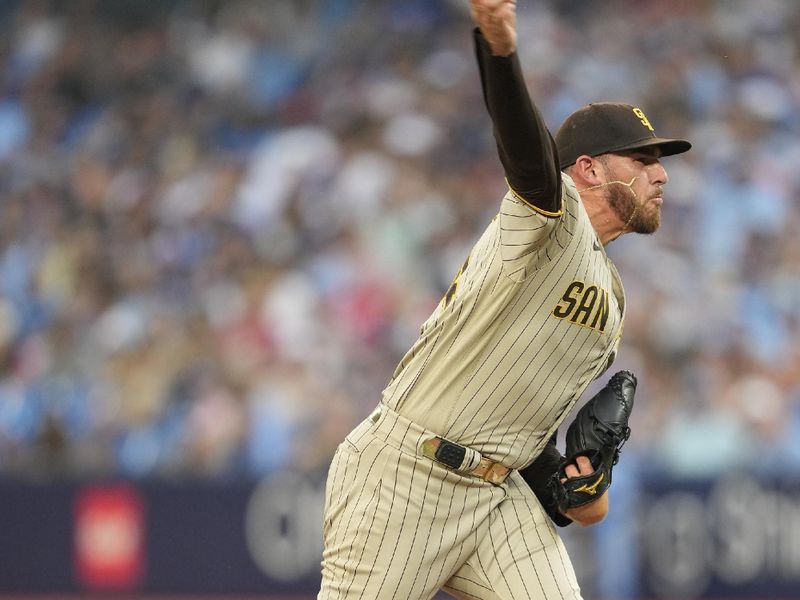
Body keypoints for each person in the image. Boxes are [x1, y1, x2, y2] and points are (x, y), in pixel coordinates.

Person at [318, 1, 691, 598]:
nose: (661, 174)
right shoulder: (551, 214)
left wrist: (576, 486)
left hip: (496, 494)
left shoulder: (613, 298)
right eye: (643, 159)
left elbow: (529, 436)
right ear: (589, 169)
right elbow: (527, 154)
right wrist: (499, 46)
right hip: (407, 475)